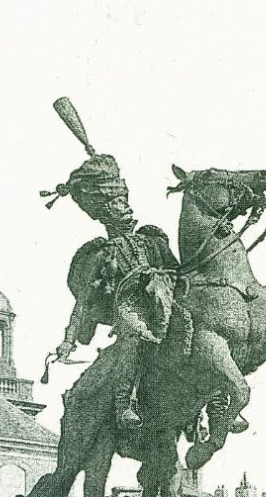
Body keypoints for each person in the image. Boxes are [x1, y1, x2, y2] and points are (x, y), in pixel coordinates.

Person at [44, 152, 178, 431]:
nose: (125, 208)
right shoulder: (100, 254)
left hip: (164, 303)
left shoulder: (153, 240)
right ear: (105, 212)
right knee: (132, 338)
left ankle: (215, 403)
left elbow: (179, 273)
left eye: (125, 201)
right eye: (117, 204)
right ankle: (124, 403)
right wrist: (69, 340)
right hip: (131, 310)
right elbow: (84, 301)